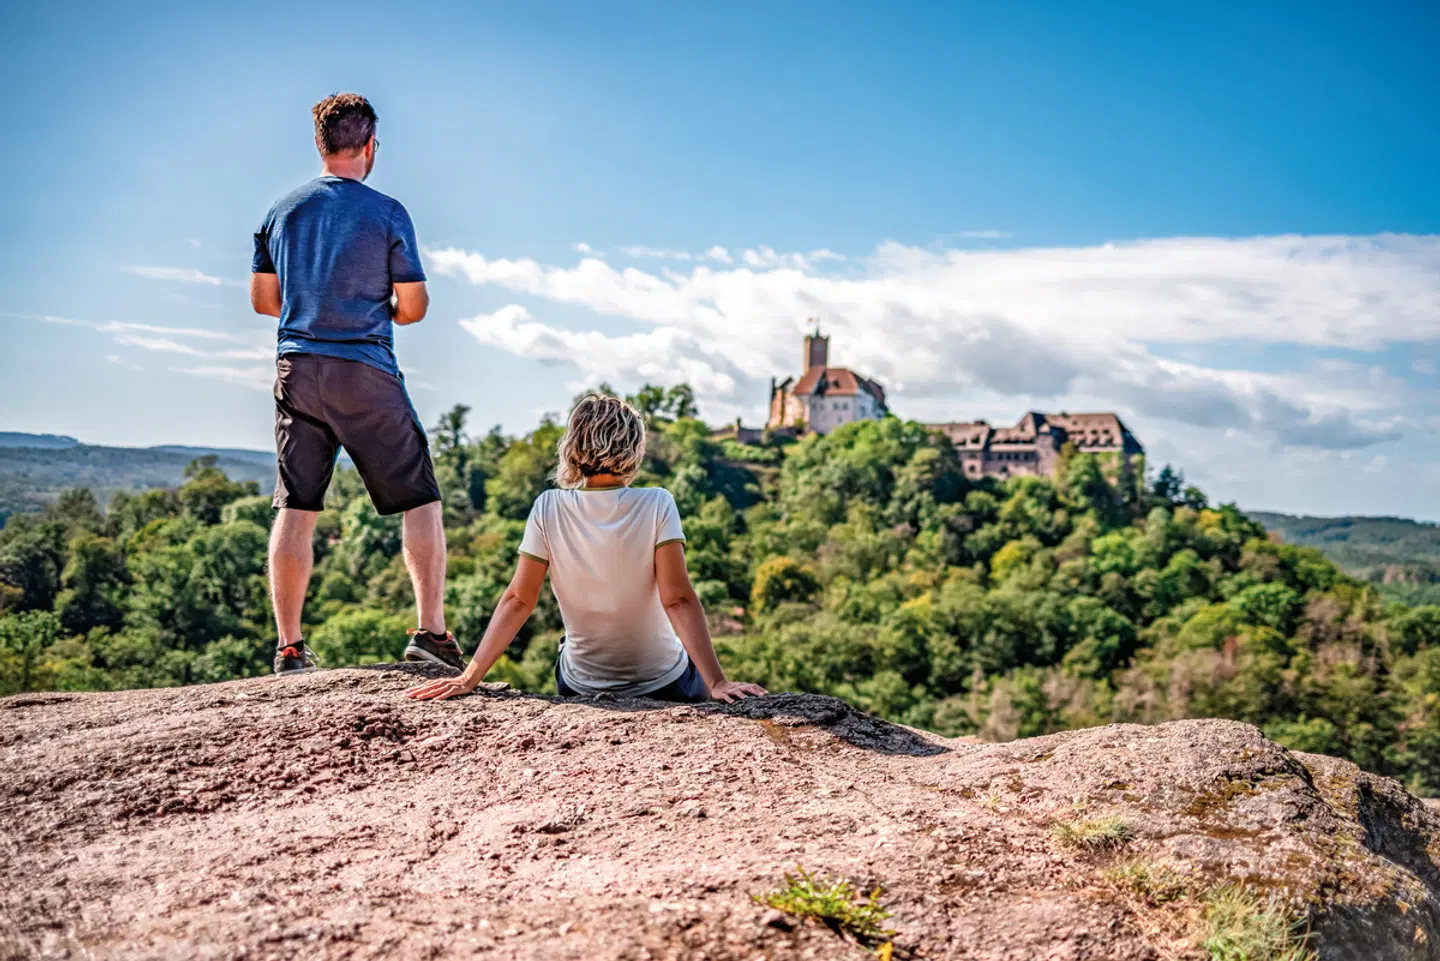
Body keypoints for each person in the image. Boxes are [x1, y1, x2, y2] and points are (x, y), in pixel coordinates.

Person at [250, 92, 463, 675]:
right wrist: (378, 309)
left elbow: (265, 301)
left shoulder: (280, 211)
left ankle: (289, 647)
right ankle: (430, 634)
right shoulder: (388, 212)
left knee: (296, 505)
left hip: (297, 369)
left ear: (319, 145)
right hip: (365, 368)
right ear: (370, 147)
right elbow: (414, 307)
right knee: (419, 497)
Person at [406, 395, 767, 704]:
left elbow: (518, 599)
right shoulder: (658, 503)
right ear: (635, 448)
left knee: (568, 644)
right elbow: (678, 599)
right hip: (666, 684)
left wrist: (470, 677)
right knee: (677, 656)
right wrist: (718, 682)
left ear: (573, 447)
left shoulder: (548, 507)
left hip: (580, 687)